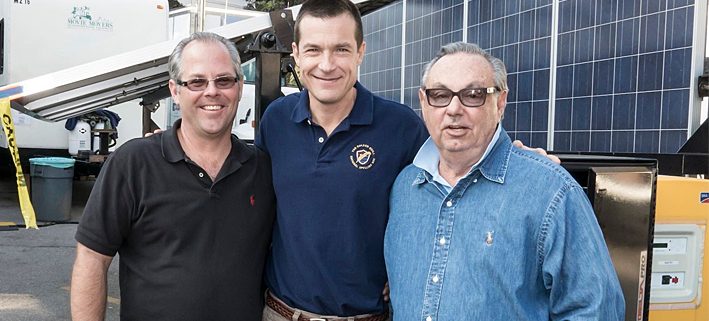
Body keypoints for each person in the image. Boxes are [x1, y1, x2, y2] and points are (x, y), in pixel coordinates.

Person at [383, 42, 625, 320]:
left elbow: (595, 310)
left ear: (500, 102)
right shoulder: (404, 189)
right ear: (424, 102)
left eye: (473, 95)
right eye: (440, 95)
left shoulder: (551, 192)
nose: (453, 109)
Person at [70, 32, 276, 321]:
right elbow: (92, 259)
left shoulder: (263, 169)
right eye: (196, 82)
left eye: (224, 80)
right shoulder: (133, 163)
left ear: (239, 87)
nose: (212, 91)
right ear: (175, 90)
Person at [254, 0, 427, 320]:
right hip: (280, 312)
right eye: (314, 50)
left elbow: (444, 199)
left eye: (341, 49)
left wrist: (520, 162)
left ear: (361, 51)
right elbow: (250, 194)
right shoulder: (276, 121)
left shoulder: (402, 128)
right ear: (295, 53)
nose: (327, 64)